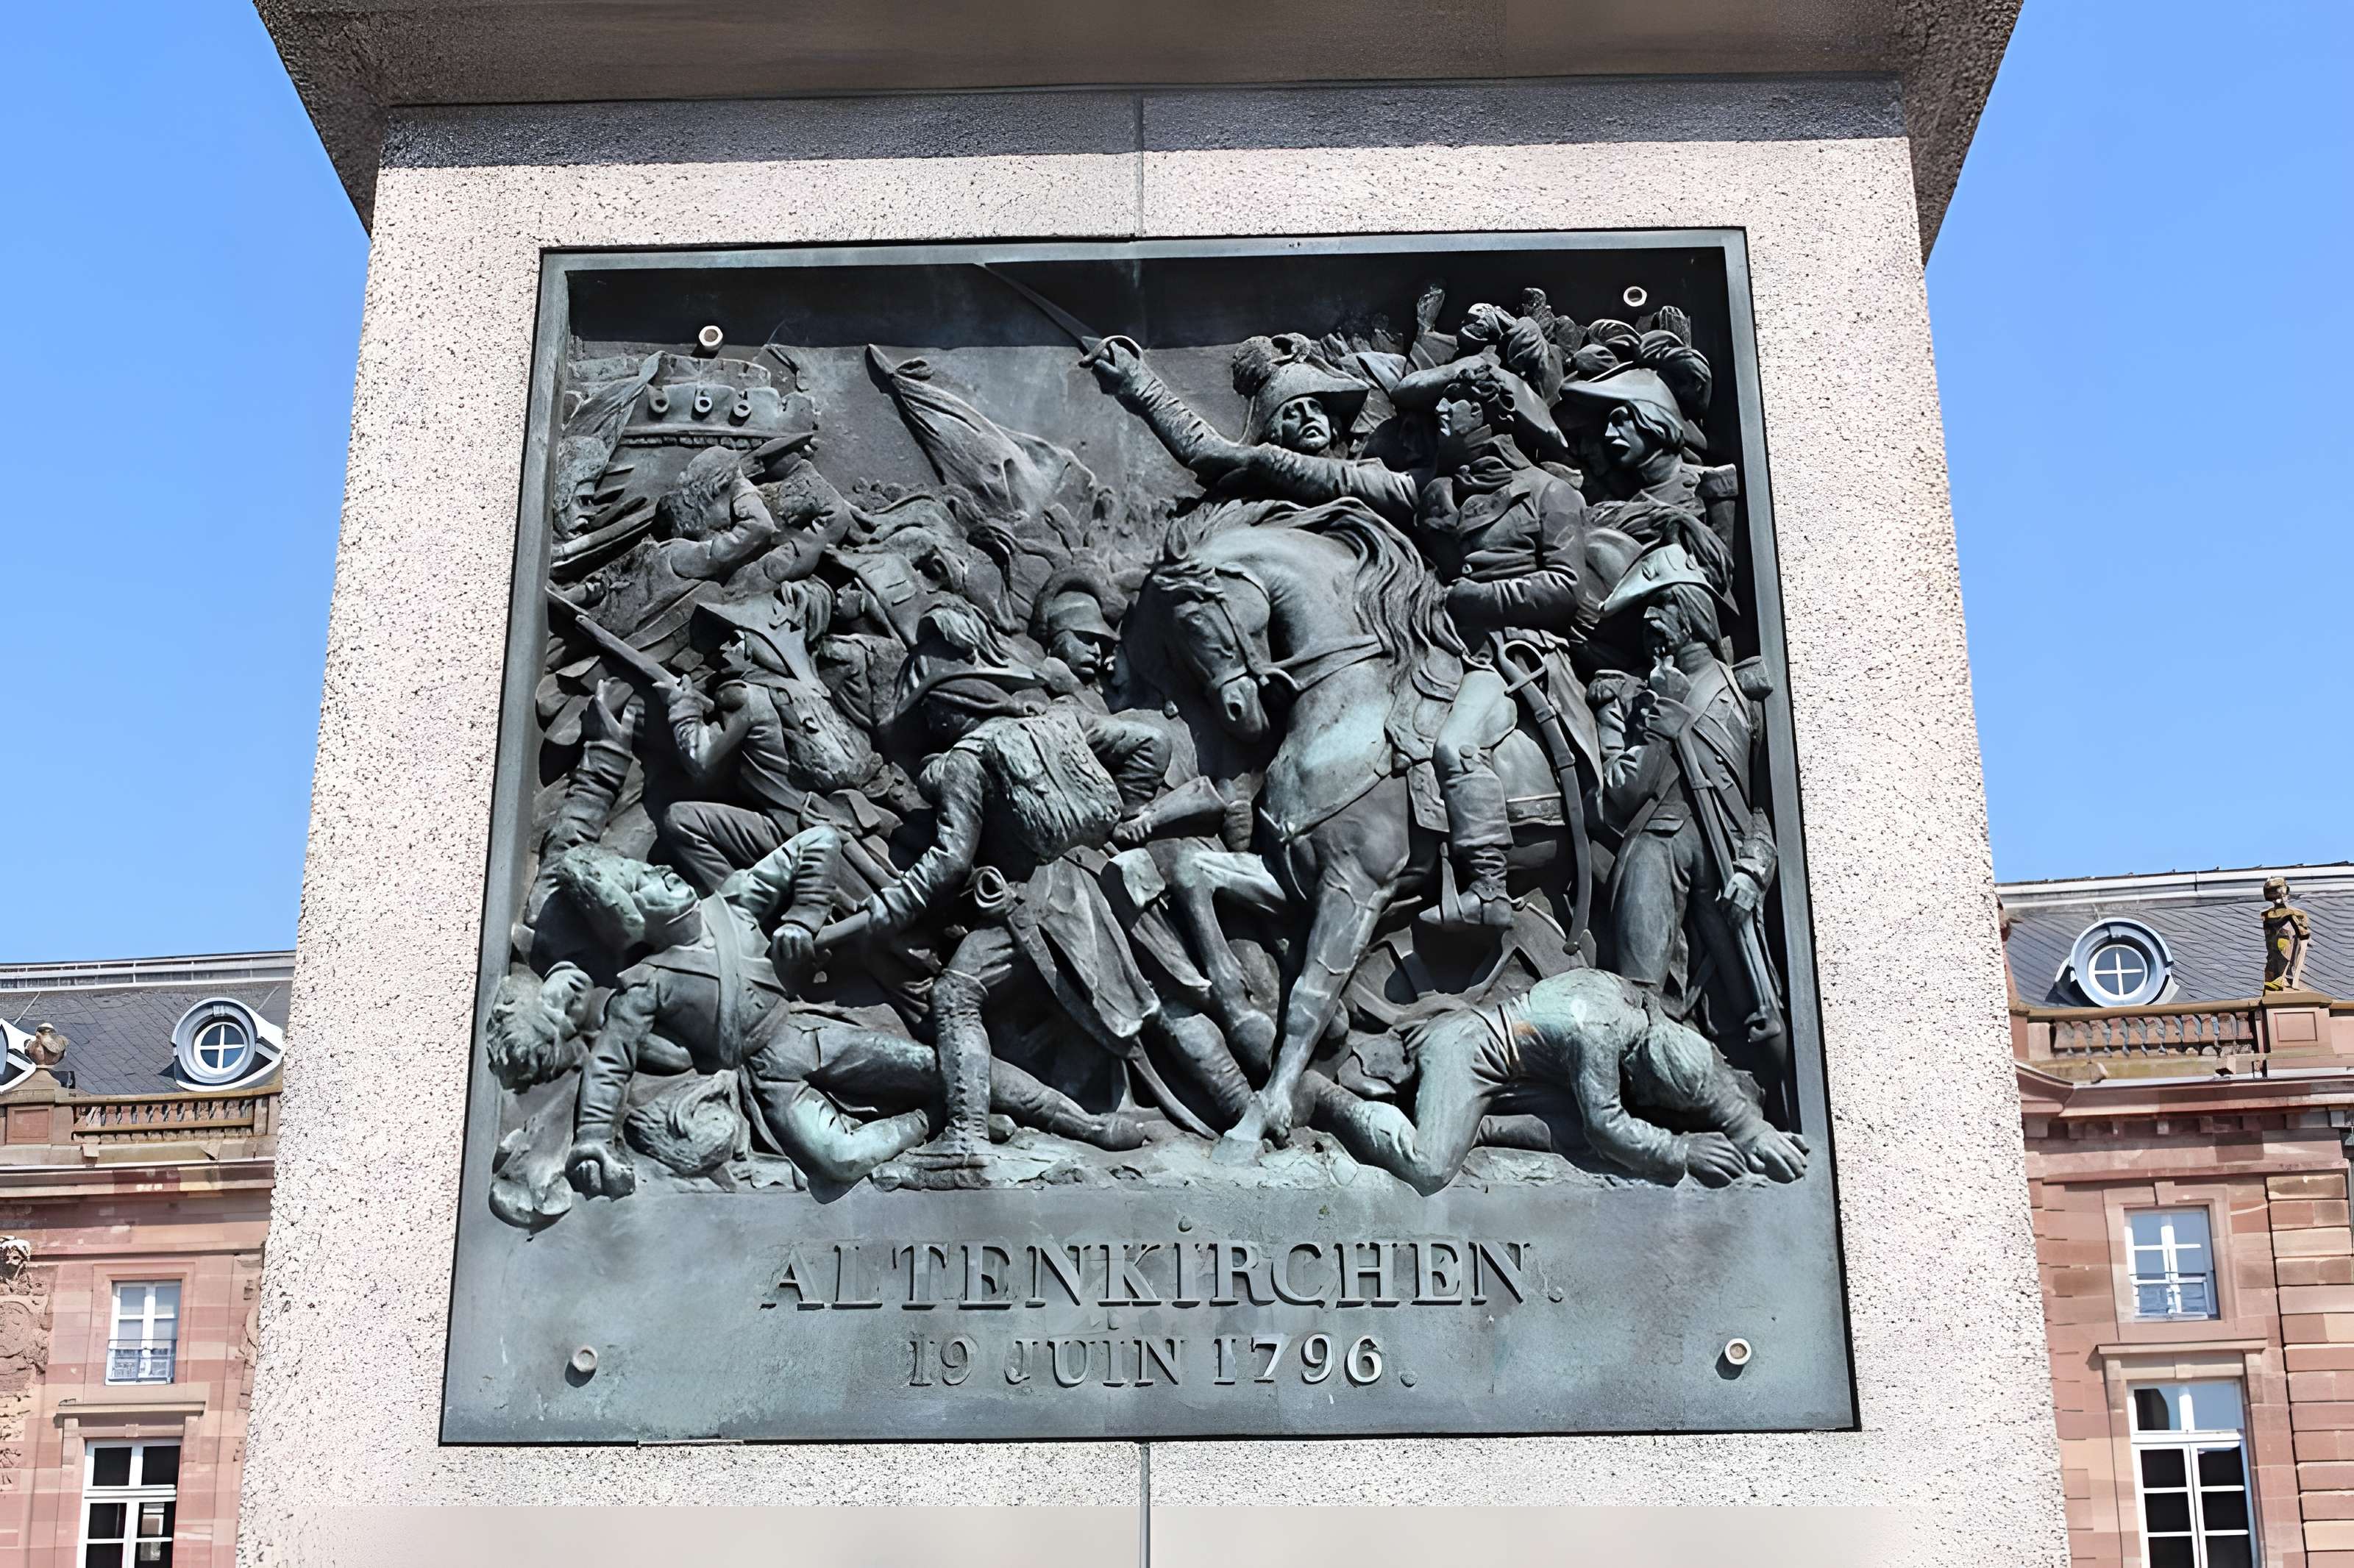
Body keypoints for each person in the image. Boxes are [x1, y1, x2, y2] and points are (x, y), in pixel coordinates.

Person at [860, 604, 1254, 1178]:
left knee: (955, 996)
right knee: (1162, 1004)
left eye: (933, 713)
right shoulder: (1061, 723)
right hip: (1106, 876)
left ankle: (967, 1139)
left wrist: (880, 915)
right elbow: (1152, 746)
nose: (933, 724)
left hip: (1040, 903)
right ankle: (1252, 1113)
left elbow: (948, 862)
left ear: (948, 710)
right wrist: (1125, 813)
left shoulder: (967, 761)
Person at [1312, 967, 1807, 1192]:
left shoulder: (1651, 1020)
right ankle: (1324, 1099)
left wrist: (1750, 1130)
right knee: (1429, 1169)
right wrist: (1680, 1150)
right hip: (1469, 1052)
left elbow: (1703, 1077)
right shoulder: (1601, 1033)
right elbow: (1608, 1124)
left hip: (1532, 1074)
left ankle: (1479, 1129)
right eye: (1651, 1095)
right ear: (1637, 1071)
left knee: (1596, 1155)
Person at [553, 834, 842, 1197]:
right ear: (628, 918)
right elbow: (611, 1061)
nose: (661, 869)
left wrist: (803, 918)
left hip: (811, 1033)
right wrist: (594, 1136)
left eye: (649, 868)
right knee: (839, 1156)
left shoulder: (734, 903)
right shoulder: (646, 984)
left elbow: (820, 840)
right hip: (770, 1081)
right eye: (642, 882)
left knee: (925, 1066)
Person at [1591, 543, 1787, 1072]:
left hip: (1730, 865)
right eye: (1645, 612)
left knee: (1762, 1032)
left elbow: (1766, 808)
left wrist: (1754, 869)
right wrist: (1661, 715)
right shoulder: (1626, 699)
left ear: (1691, 610)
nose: (1650, 621)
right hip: (1653, 852)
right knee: (1636, 1007)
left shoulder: (1746, 697)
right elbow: (1613, 800)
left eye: (1662, 607)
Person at [655, 590, 887, 894]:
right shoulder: (811, 690)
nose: (724, 651)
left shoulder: (742, 695)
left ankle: (740, 910)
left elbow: (701, 761)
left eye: (736, 640)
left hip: (789, 827)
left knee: (679, 820)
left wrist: (682, 706)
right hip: (842, 819)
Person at [1087, 333, 1420, 524]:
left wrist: (1266, 460)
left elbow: (1395, 492)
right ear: (1274, 433)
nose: (1307, 416)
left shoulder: (1375, 476)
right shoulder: (1253, 498)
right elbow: (1208, 450)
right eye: (1291, 413)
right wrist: (1141, 387)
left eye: (1315, 407)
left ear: (1335, 429)